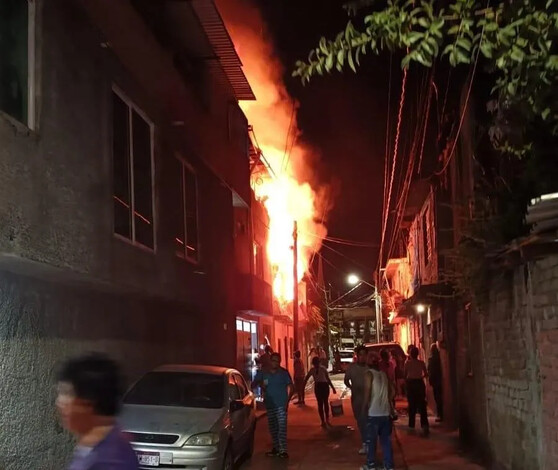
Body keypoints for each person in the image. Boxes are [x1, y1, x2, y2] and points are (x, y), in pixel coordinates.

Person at [56, 353, 138, 470]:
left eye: (67, 393)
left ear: (88, 402)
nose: (60, 402)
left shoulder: (111, 460)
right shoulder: (94, 446)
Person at [253, 352, 294, 459]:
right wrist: (260, 384)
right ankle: (276, 448)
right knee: (273, 428)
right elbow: (254, 383)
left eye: (277, 361)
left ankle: (283, 450)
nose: (275, 363)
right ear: (270, 361)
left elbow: (291, 387)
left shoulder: (284, 373)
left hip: (281, 404)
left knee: (282, 428)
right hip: (270, 404)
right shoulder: (264, 373)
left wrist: (287, 402)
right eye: (273, 360)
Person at [361, 353, 395, 470]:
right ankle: (388, 465)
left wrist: (364, 409)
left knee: (372, 441)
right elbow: (392, 392)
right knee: (386, 441)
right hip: (385, 413)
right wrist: (387, 402)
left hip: (373, 413)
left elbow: (367, 394)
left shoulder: (369, 374)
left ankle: (370, 465)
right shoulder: (384, 374)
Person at [344, 345, 369, 454]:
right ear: (357, 356)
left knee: (367, 422)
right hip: (356, 399)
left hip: (368, 399)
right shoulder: (352, 368)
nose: (362, 357)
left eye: (364, 355)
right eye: (360, 355)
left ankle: (367, 443)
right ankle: (366, 442)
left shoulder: (369, 368)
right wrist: (351, 387)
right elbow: (346, 380)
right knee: (360, 421)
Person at [304, 356, 337, 426]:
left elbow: (327, 379)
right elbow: (306, 378)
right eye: (315, 363)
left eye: (317, 363)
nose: (316, 365)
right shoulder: (312, 370)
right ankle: (323, 420)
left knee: (325, 403)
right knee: (320, 404)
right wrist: (303, 386)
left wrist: (333, 388)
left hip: (324, 386)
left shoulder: (323, 369)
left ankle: (327, 419)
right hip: (318, 386)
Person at [404, 346, 429, 435]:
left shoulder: (407, 363)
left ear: (410, 354)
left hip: (411, 384)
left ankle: (411, 426)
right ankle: (425, 425)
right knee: (422, 405)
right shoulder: (421, 363)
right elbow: (426, 374)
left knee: (412, 405)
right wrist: (420, 377)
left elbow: (405, 374)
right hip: (419, 383)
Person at [428, 343, 443, 422]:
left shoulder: (431, 359)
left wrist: (430, 378)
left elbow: (429, 370)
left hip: (434, 380)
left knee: (437, 397)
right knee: (439, 397)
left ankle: (439, 414)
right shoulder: (439, 358)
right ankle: (440, 413)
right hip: (439, 380)